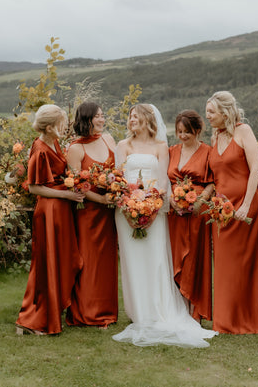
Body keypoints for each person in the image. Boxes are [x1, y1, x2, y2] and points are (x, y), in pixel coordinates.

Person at [113, 103, 217, 347]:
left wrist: (150, 206)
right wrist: (128, 206)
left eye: (136, 116)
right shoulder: (122, 146)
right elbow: (117, 180)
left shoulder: (161, 147)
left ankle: (160, 309)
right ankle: (139, 313)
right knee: (133, 261)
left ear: (149, 119)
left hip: (155, 210)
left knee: (157, 260)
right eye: (130, 117)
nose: (132, 120)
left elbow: (163, 181)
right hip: (126, 211)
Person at [206, 91, 258, 334]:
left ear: (225, 112)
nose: (208, 116)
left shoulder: (244, 131)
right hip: (221, 210)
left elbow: (255, 169)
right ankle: (224, 321)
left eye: (211, 112)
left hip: (245, 207)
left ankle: (247, 319)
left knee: (243, 264)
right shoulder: (215, 137)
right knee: (224, 265)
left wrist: (245, 204)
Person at [16, 104, 83, 335]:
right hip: (49, 212)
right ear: (49, 126)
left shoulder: (53, 143)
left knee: (63, 260)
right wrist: (66, 194)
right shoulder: (40, 148)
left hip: (60, 210)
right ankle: (34, 320)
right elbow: (34, 188)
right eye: (61, 124)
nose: (64, 128)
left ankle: (51, 311)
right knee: (47, 264)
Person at [66, 101, 118, 328]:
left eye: (102, 115)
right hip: (87, 213)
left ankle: (107, 311)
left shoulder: (109, 140)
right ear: (86, 119)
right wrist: (101, 199)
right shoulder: (75, 148)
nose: (102, 119)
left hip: (109, 213)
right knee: (88, 262)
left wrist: (116, 193)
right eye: (97, 116)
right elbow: (77, 185)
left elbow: (119, 172)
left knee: (107, 262)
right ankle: (86, 313)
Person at [167, 110, 213, 322]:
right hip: (174, 213)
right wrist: (172, 200)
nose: (183, 136)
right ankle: (178, 308)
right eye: (179, 131)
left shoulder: (207, 152)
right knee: (176, 259)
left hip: (197, 212)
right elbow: (165, 180)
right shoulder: (171, 151)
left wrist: (200, 201)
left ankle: (195, 310)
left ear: (197, 130)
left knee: (194, 259)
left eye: (187, 132)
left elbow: (212, 182)